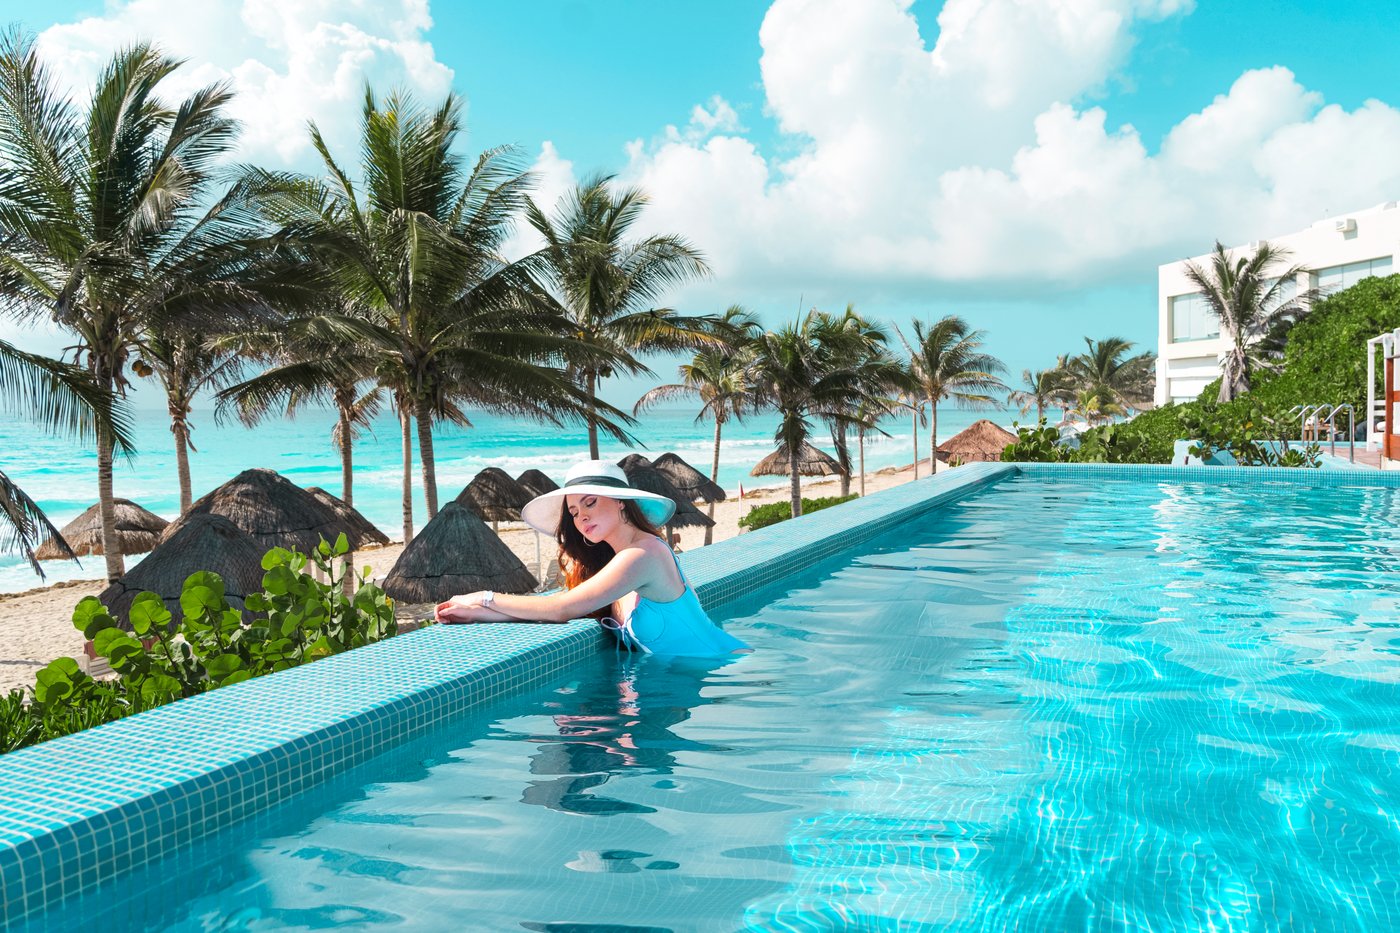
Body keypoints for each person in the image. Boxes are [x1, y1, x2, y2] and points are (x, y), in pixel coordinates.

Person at [435, 460, 749, 657]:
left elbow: (560, 608)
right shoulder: (618, 561)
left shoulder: (645, 554)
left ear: (621, 502)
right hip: (696, 678)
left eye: (590, 503)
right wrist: (484, 614)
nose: (581, 516)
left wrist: (484, 597)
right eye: (573, 512)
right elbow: (567, 608)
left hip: (726, 671)